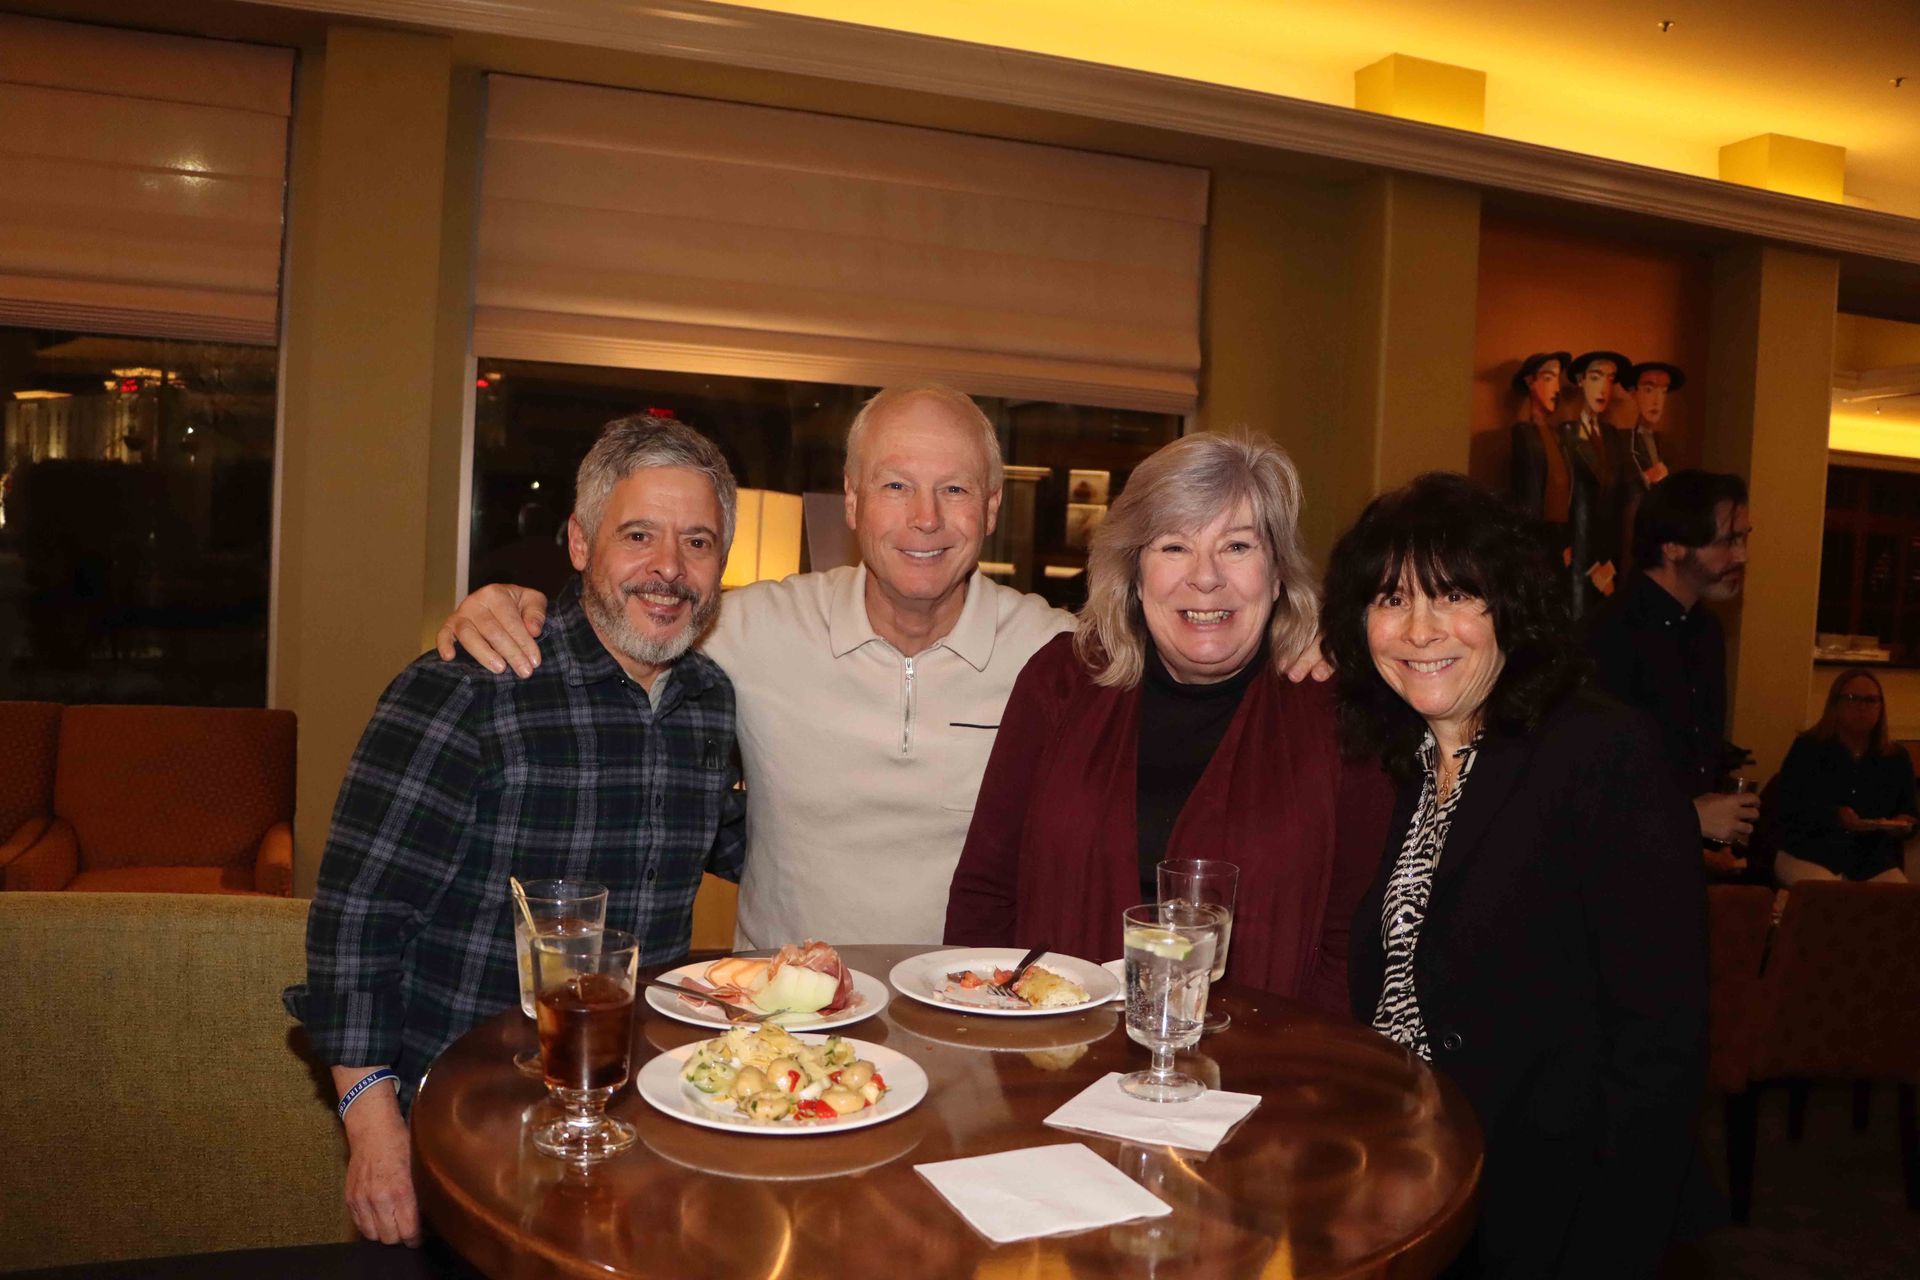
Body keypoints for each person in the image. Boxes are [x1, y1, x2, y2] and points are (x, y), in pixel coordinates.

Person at [286, 415, 746, 1246]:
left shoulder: (710, 702)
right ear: (578, 541)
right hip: (468, 1120)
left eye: (699, 542)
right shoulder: (468, 689)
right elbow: (355, 921)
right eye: (637, 534)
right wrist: (372, 1127)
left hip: (638, 1117)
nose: (670, 569)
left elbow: (753, 842)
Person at [438, 385, 1072, 946]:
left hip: (975, 1021)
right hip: (781, 1033)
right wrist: (517, 603)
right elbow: (629, 615)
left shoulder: (1062, 657)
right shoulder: (745, 628)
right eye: (895, 485)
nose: (925, 517)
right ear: (852, 501)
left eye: (954, 488)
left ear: (990, 507)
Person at [1325, 472, 1705, 1279]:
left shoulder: (1599, 752)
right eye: (1391, 599)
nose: (1420, 629)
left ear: (1511, 608)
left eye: (1456, 595)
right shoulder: (1408, 762)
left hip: (1552, 1212)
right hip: (1416, 1186)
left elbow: (1660, 1043)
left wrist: (1609, 1247)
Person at [943, 433, 1391, 1012]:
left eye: (1236, 547)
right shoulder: (1061, 682)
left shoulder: (1337, 709)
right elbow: (987, 890)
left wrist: (1301, 1069)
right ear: (1133, 573)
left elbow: (1355, 937)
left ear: (1277, 574)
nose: (1205, 578)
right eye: (1174, 547)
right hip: (1051, 1064)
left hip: (1266, 1074)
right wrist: (980, 1037)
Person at [1585, 470, 1759, 869]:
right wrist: (1691, 817)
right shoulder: (1607, 635)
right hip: (1611, 875)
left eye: (1745, 537)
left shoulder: (1706, 630)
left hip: (1678, 867)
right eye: (1729, 541)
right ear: (1674, 547)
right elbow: (1589, 784)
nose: (1742, 555)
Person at [1773, 668, 1915, 884]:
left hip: (1870, 859)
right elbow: (1788, 805)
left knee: (1902, 901)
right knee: (1831, 897)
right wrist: (1835, 815)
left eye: (1871, 701)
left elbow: (1909, 810)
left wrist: (1903, 824)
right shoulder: (1809, 748)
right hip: (1809, 853)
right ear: (1835, 705)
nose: (1862, 707)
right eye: (1852, 698)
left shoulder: (1895, 757)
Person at [1556, 349, 1631, 616]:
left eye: (1610, 379)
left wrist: (1609, 560)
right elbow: (1564, 496)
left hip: (1608, 554)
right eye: (1596, 377)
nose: (1604, 388)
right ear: (1580, 381)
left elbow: (1617, 499)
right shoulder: (1565, 435)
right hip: (1578, 554)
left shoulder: (1613, 437)